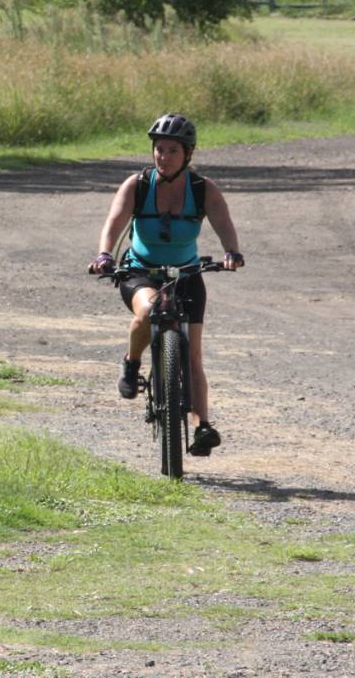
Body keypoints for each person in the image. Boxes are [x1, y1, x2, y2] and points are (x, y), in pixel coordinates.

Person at [88, 114, 242, 456]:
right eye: (159, 149)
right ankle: (132, 362)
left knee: (194, 354)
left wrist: (232, 252)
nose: (163, 156)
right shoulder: (138, 185)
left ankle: (202, 426)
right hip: (141, 269)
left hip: (186, 274)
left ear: (188, 154)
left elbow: (224, 223)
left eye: (172, 150)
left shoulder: (202, 189)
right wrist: (103, 255)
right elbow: (114, 222)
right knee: (149, 310)